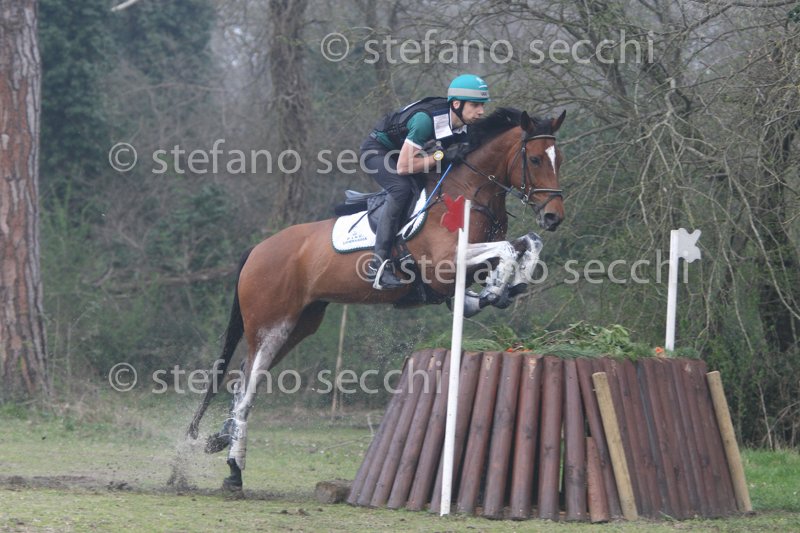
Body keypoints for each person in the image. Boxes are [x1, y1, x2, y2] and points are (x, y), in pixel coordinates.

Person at [360, 74, 490, 290]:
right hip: (379, 151)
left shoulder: (465, 125)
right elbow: (403, 167)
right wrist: (440, 156)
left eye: (483, 105)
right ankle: (378, 265)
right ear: (456, 104)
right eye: (475, 105)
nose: (481, 111)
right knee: (401, 188)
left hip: (411, 154)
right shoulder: (425, 121)